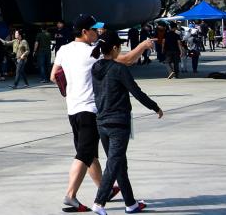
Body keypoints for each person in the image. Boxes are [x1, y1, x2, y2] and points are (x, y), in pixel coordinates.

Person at [51, 14, 153, 213]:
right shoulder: (92, 52)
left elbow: (54, 76)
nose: (97, 32)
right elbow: (125, 60)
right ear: (84, 32)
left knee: (90, 154)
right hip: (90, 109)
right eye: (94, 29)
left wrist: (72, 87)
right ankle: (70, 195)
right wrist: (142, 46)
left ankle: (104, 189)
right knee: (84, 153)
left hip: (72, 108)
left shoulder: (64, 49)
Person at [90, 31, 163, 215]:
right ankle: (99, 202)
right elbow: (136, 92)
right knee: (114, 163)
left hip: (102, 122)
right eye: (120, 46)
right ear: (115, 48)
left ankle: (130, 204)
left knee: (119, 163)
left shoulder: (96, 67)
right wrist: (155, 107)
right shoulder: (118, 69)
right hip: (118, 123)